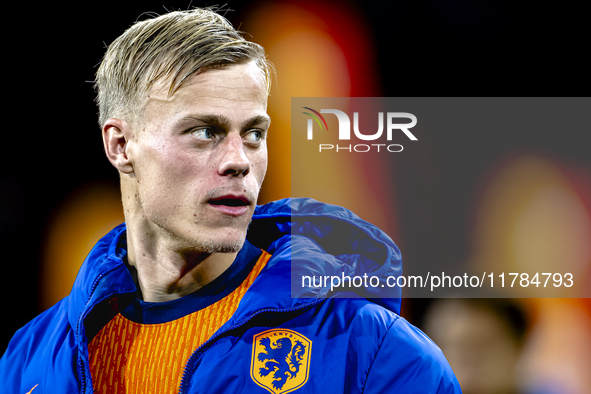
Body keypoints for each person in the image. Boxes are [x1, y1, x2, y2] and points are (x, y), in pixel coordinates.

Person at [0, 7, 461, 393]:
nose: (239, 161)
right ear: (121, 146)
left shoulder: (375, 354)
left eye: (254, 134)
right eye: (205, 132)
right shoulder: (31, 361)